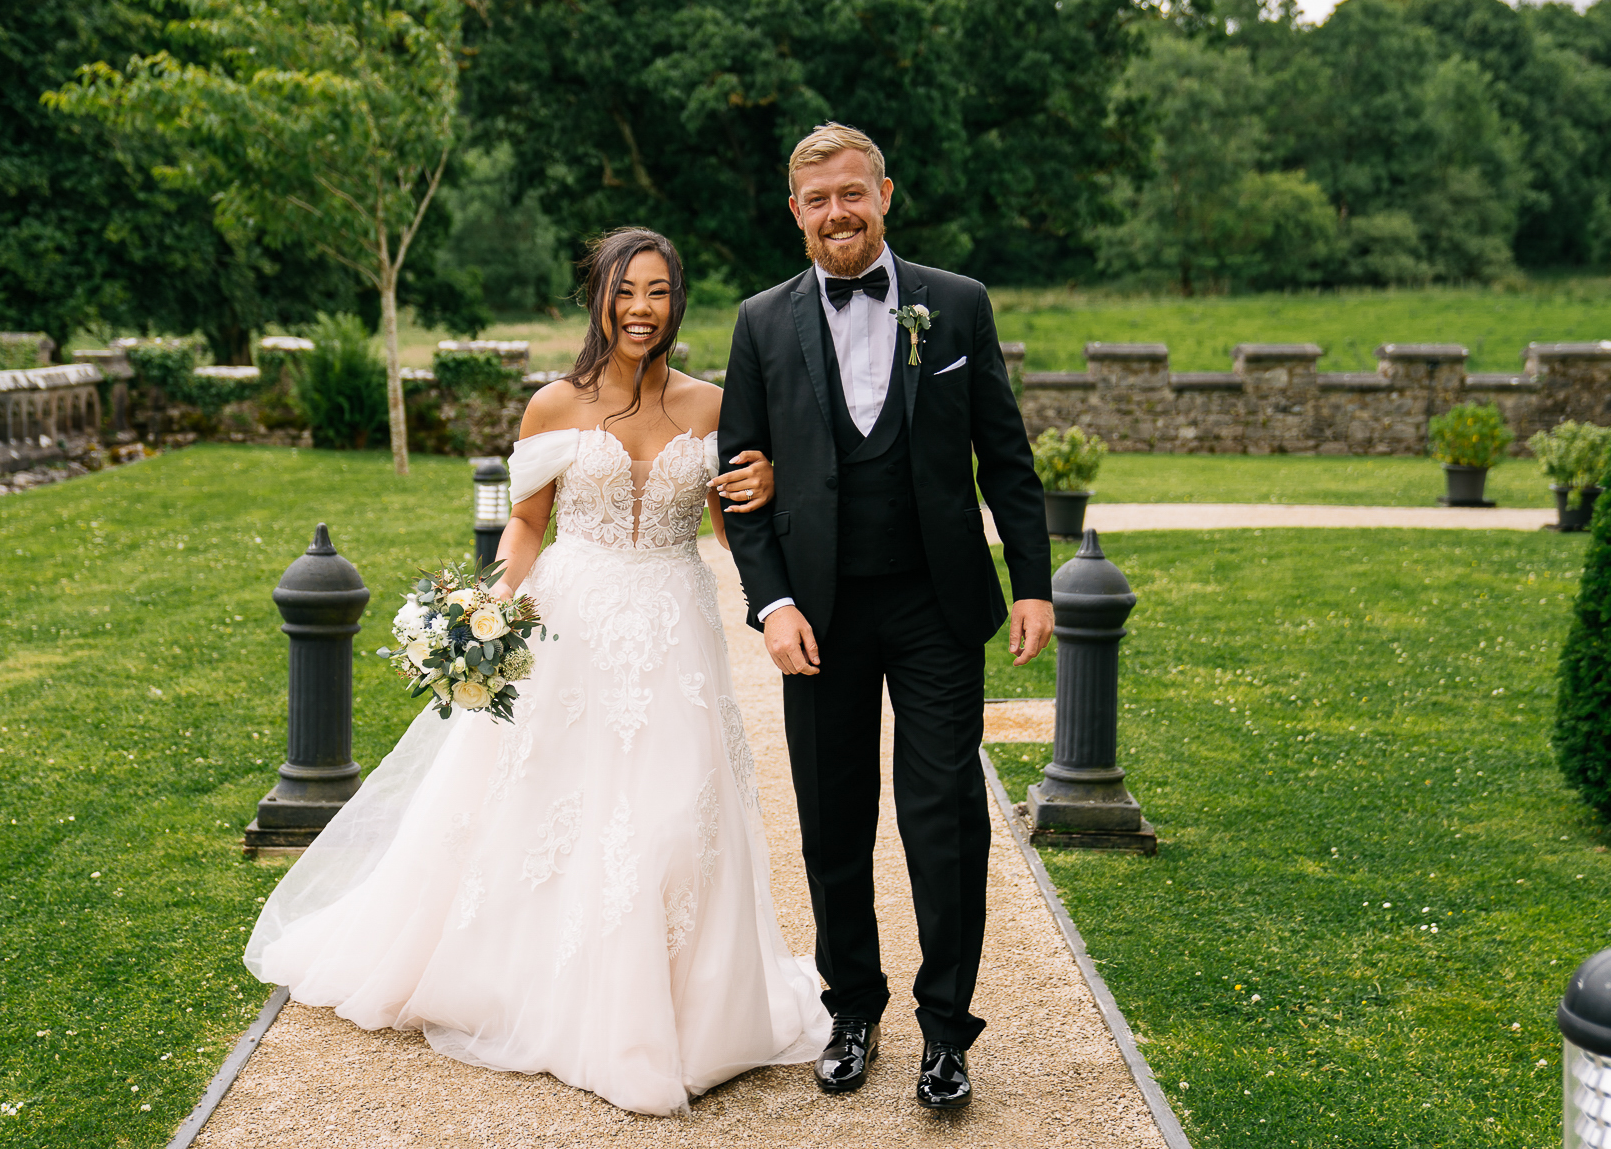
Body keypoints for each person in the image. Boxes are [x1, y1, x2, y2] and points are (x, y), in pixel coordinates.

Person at [245, 227, 830, 1117]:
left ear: (680, 302)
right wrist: (489, 609)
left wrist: (767, 515)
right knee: (557, 806)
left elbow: (730, 531)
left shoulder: (713, 406)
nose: (643, 309)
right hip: (573, 624)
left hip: (675, 629)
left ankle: (679, 1014)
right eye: (626, 290)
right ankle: (554, 992)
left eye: (661, 292)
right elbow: (525, 525)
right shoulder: (554, 405)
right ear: (597, 297)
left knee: (676, 814)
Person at [717, 123, 1054, 1110]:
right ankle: (852, 1008)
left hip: (934, 603)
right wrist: (770, 601)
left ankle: (948, 1030)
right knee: (832, 817)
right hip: (818, 615)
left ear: (886, 193)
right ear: (795, 211)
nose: (837, 214)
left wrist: (1031, 580)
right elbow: (739, 483)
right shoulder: (761, 322)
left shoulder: (956, 304)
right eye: (817, 200)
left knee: (944, 818)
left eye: (852, 194)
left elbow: (1007, 453)